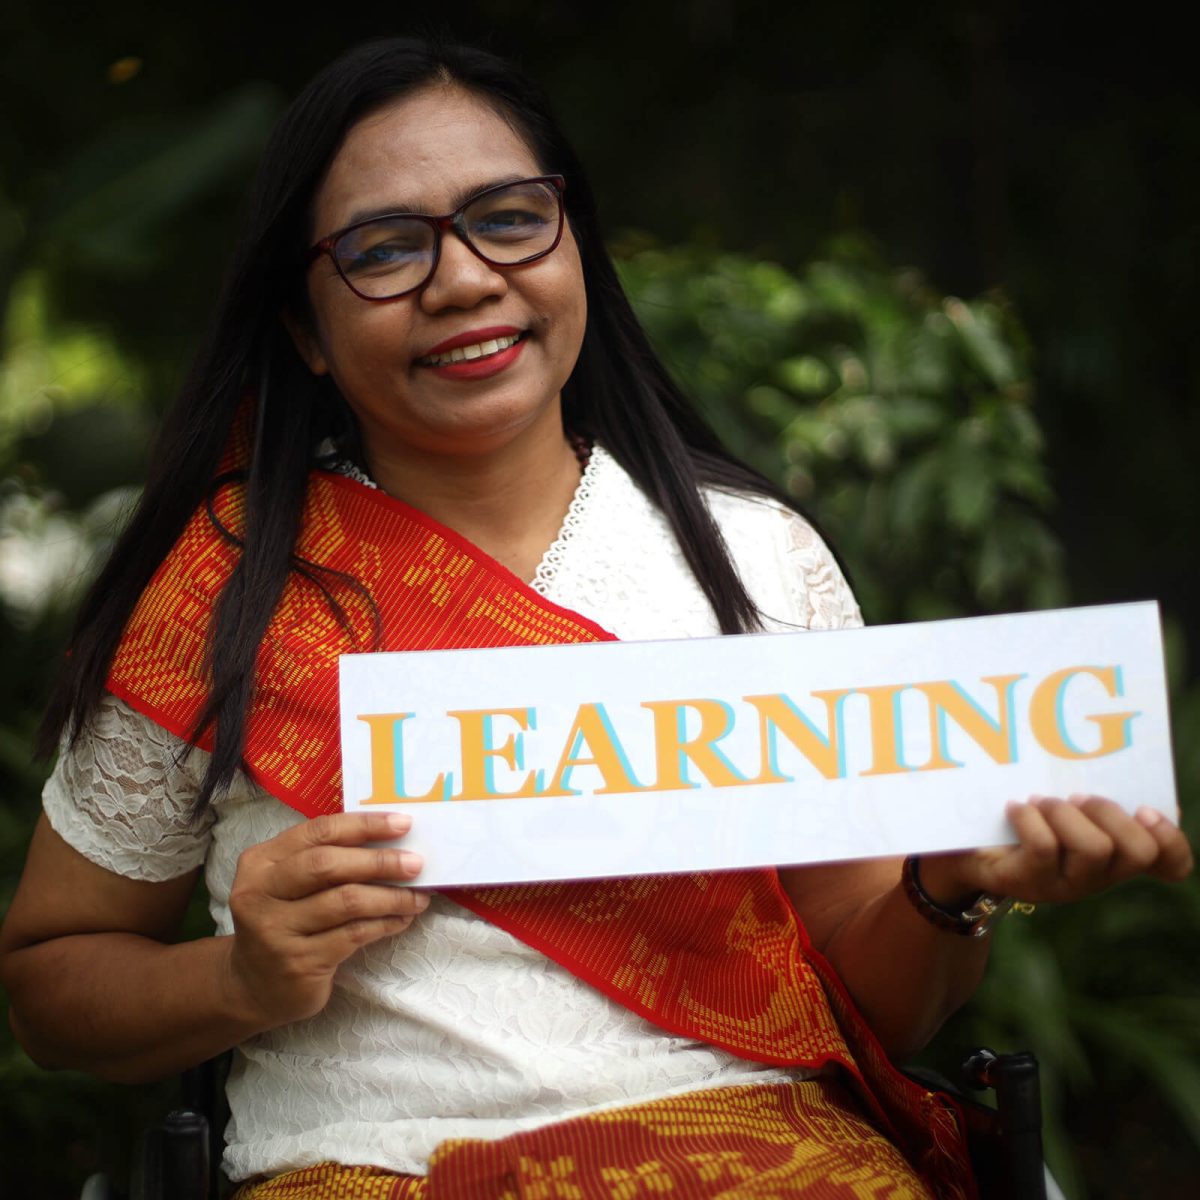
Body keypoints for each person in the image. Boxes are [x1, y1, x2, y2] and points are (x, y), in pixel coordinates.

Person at [0, 36, 1191, 1200]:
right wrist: (245, 979)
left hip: (766, 1161)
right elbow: (53, 983)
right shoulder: (226, 594)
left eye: (509, 217)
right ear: (305, 327)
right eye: (384, 247)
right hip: (367, 1168)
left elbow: (878, 1006)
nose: (464, 278)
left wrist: (950, 885)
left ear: (575, 244)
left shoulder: (752, 560)